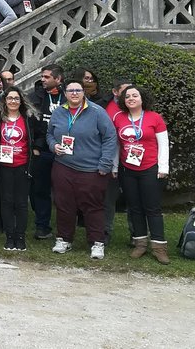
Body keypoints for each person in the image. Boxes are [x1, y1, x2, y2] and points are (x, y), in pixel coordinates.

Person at [47, 79, 117, 259]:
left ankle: (97, 242)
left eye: (78, 90)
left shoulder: (96, 112)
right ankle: (64, 239)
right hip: (63, 166)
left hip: (91, 169)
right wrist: (53, 145)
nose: (75, 93)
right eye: (71, 90)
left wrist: (105, 164)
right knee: (64, 205)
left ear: (83, 92)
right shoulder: (59, 112)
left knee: (93, 207)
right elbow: (49, 133)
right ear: (65, 93)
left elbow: (110, 137)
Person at [112, 86, 170, 264]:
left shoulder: (154, 117)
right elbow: (116, 145)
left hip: (150, 168)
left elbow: (163, 144)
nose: (131, 98)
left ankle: (159, 247)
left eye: (134, 95)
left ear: (142, 98)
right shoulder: (119, 118)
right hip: (128, 169)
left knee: (152, 208)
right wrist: (114, 166)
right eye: (127, 96)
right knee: (134, 207)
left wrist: (163, 167)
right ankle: (140, 243)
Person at [0, 85, 35, 251]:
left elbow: (36, 137)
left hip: (22, 164)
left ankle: (20, 237)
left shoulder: (28, 118)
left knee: (21, 203)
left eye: (16, 98)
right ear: (4, 100)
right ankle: (10, 237)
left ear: (21, 101)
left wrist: (35, 151)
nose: (13, 101)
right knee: (7, 202)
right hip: (2, 166)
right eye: (10, 98)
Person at [27, 65, 64, 240]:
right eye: (42, 76)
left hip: (65, 151)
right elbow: (30, 123)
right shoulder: (35, 97)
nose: (43, 79)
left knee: (64, 191)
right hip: (41, 150)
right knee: (40, 190)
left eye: (47, 77)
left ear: (58, 79)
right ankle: (42, 226)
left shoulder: (69, 97)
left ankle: (65, 228)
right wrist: (34, 146)